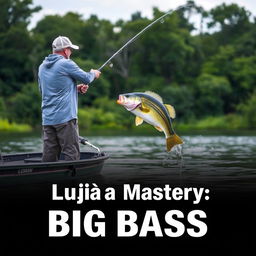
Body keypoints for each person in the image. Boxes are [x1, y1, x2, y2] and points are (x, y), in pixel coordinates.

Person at [38, 36, 101, 162]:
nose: (71, 52)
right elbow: (87, 78)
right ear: (66, 50)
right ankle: (71, 180)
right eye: (70, 50)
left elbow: (45, 91)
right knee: (71, 153)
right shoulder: (66, 63)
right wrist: (94, 73)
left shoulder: (42, 67)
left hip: (48, 120)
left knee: (49, 156)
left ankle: (46, 178)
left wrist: (74, 88)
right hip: (65, 119)